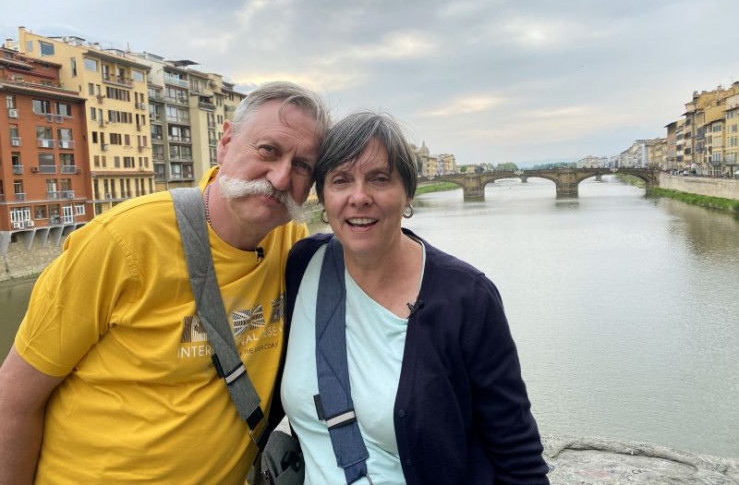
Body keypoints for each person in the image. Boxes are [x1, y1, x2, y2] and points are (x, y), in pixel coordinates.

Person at [0, 81, 330, 484]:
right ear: (226, 142)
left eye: (302, 166)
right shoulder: (122, 240)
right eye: (268, 150)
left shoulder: (293, 246)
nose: (280, 178)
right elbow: (13, 401)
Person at [280, 111, 549, 484]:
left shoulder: (467, 298)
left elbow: (519, 457)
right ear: (322, 196)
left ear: (408, 193)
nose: (359, 197)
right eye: (341, 180)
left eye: (379, 179)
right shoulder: (302, 265)